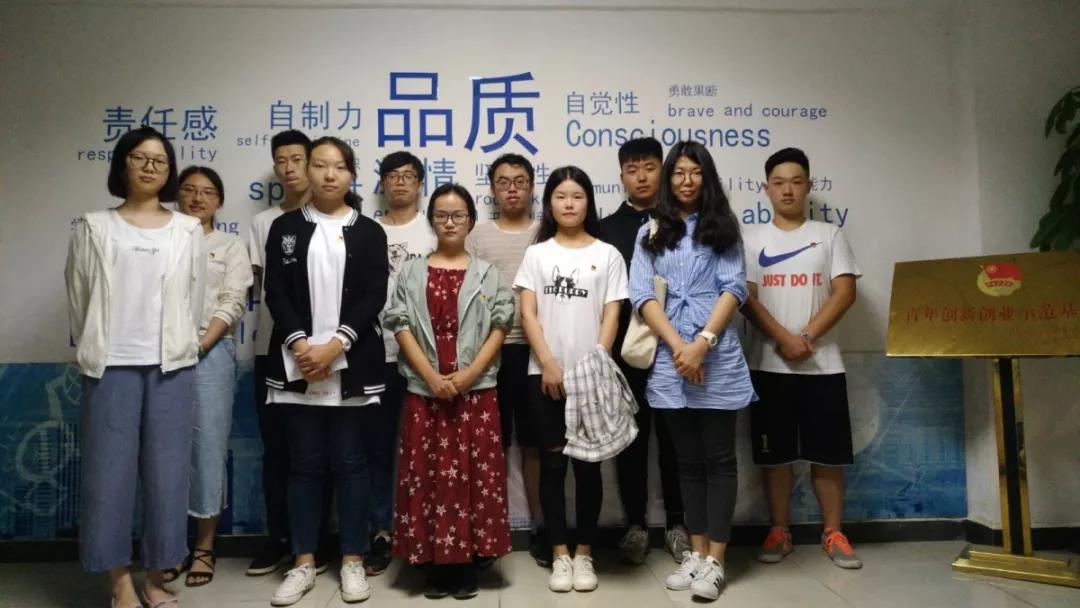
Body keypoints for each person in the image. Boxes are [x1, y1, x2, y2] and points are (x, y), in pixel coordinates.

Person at [65, 126, 204, 608]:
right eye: (139, 158)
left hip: (171, 366)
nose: (150, 167)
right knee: (108, 476)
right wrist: (100, 343)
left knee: (168, 476)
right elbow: (79, 297)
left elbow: (193, 299)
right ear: (122, 164)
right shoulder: (94, 227)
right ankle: (119, 579)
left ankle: (156, 575)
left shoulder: (187, 229)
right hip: (111, 365)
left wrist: (181, 344)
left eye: (159, 160)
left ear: (169, 171)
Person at [263, 137, 389, 606]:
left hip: (350, 363)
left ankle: (353, 560)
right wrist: (301, 346)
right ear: (307, 171)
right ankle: (303, 563)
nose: (329, 174)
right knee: (305, 465)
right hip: (297, 363)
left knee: (352, 464)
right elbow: (276, 291)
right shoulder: (284, 228)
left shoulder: (369, 231)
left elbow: (373, 294)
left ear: (352, 174)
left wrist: (335, 346)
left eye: (339, 166)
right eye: (320, 165)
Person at [628, 141, 755, 602]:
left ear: (707, 177)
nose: (686, 181)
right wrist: (680, 348)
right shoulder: (651, 230)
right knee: (687, 462)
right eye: (679, 172)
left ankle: (717, 559)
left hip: (715, 354)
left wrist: (702, 344)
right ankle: (697, 554)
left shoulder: (723, 227)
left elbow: (734, 288)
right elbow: (642, 294)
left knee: (719, 460)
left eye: (695, 172)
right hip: (670, 356)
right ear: (669, 178)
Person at [386, 183, 515, 599]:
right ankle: (432, 564)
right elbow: (400, 323)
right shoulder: (411, 272)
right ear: (431, 220)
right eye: (441, 215)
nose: (450, 222)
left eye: (458, 215)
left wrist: (469, 374)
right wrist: (430, 376)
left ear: (471, 221)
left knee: (472, 476)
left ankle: (465, 565)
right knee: (428, 476)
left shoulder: (488, 274)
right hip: (425, 390)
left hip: (475, 391)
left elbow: (501, 326)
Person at [741, 147, 863, 569]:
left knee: (827, 455)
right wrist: (783, 339)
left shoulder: (829, 235)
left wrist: (806, 337)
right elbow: (746, 299)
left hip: (822, 364)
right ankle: (780, 531)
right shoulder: (751, 238)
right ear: (766, 189)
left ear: (809, 185)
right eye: (779, 183)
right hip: (769, 363)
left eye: (796, 181)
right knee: (775, 457)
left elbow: (845, 292)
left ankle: (834, 533)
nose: (788, 190)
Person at [514, 166, 628, 593]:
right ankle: (560, 553)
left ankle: (584, 553)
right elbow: (528, 314)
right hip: (544, 374)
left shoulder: (608, 254)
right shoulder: (537, 254)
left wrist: (596, 364)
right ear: (549, 203)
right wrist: (547, 362)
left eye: (577, 196)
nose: (568, 203)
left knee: (588, 467)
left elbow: (612, 313)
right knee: (552, 464)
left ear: (588, 202)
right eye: (560, 196)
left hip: (591, 377)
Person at [598, 137, 688, 565]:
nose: (641, 176)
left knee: (675, 442)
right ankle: (635, 525)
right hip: (625, 355)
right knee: (631, 442)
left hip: (675, 351)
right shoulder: (605, 229)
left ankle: (677, 526)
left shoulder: (682, 223)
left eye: (649, 167)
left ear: (662, 171)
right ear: (621, 176)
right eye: (632, 169)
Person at [247, 129, 330, 576]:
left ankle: (321, 540)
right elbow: (267, 288)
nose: (289, 167)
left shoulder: (341, 219)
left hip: (330, 353)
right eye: (281, 160)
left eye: (298, 158)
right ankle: (280, 538)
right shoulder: (264, 223)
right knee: (278, 449)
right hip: (274, 350)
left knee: (327, 449)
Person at [166, 166, 253, 587]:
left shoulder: (229, 246)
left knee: (208, 448)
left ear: (219, 201)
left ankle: (203, 545)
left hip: (210, 352)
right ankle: (169, 546)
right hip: (160, 354)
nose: (197, 198)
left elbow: (232, 301)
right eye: (189, 190)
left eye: (207, 192)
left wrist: (199, 346)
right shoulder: (161, 239)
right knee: (163, 450)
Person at [464, 153, 549, 567]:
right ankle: (485, 531)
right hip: (488, 354)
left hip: (537, 352)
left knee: (535, 444)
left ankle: (541, 527)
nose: (512, 188)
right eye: (503, 181)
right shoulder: (477, 236)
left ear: (532, 187)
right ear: (492, 189)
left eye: (519, 181)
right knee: (489, 446)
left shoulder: (546, 233)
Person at [369, 150, 437, 576]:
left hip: (425, 358)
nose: (399, 182)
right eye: (392, 176)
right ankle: (380, 532)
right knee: (377, 448)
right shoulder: (366, 230)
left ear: (420, 184)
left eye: (408, 176)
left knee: (424, 450)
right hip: (375, 354)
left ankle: (427, 533)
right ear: (382, 183)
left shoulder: (433, 231)